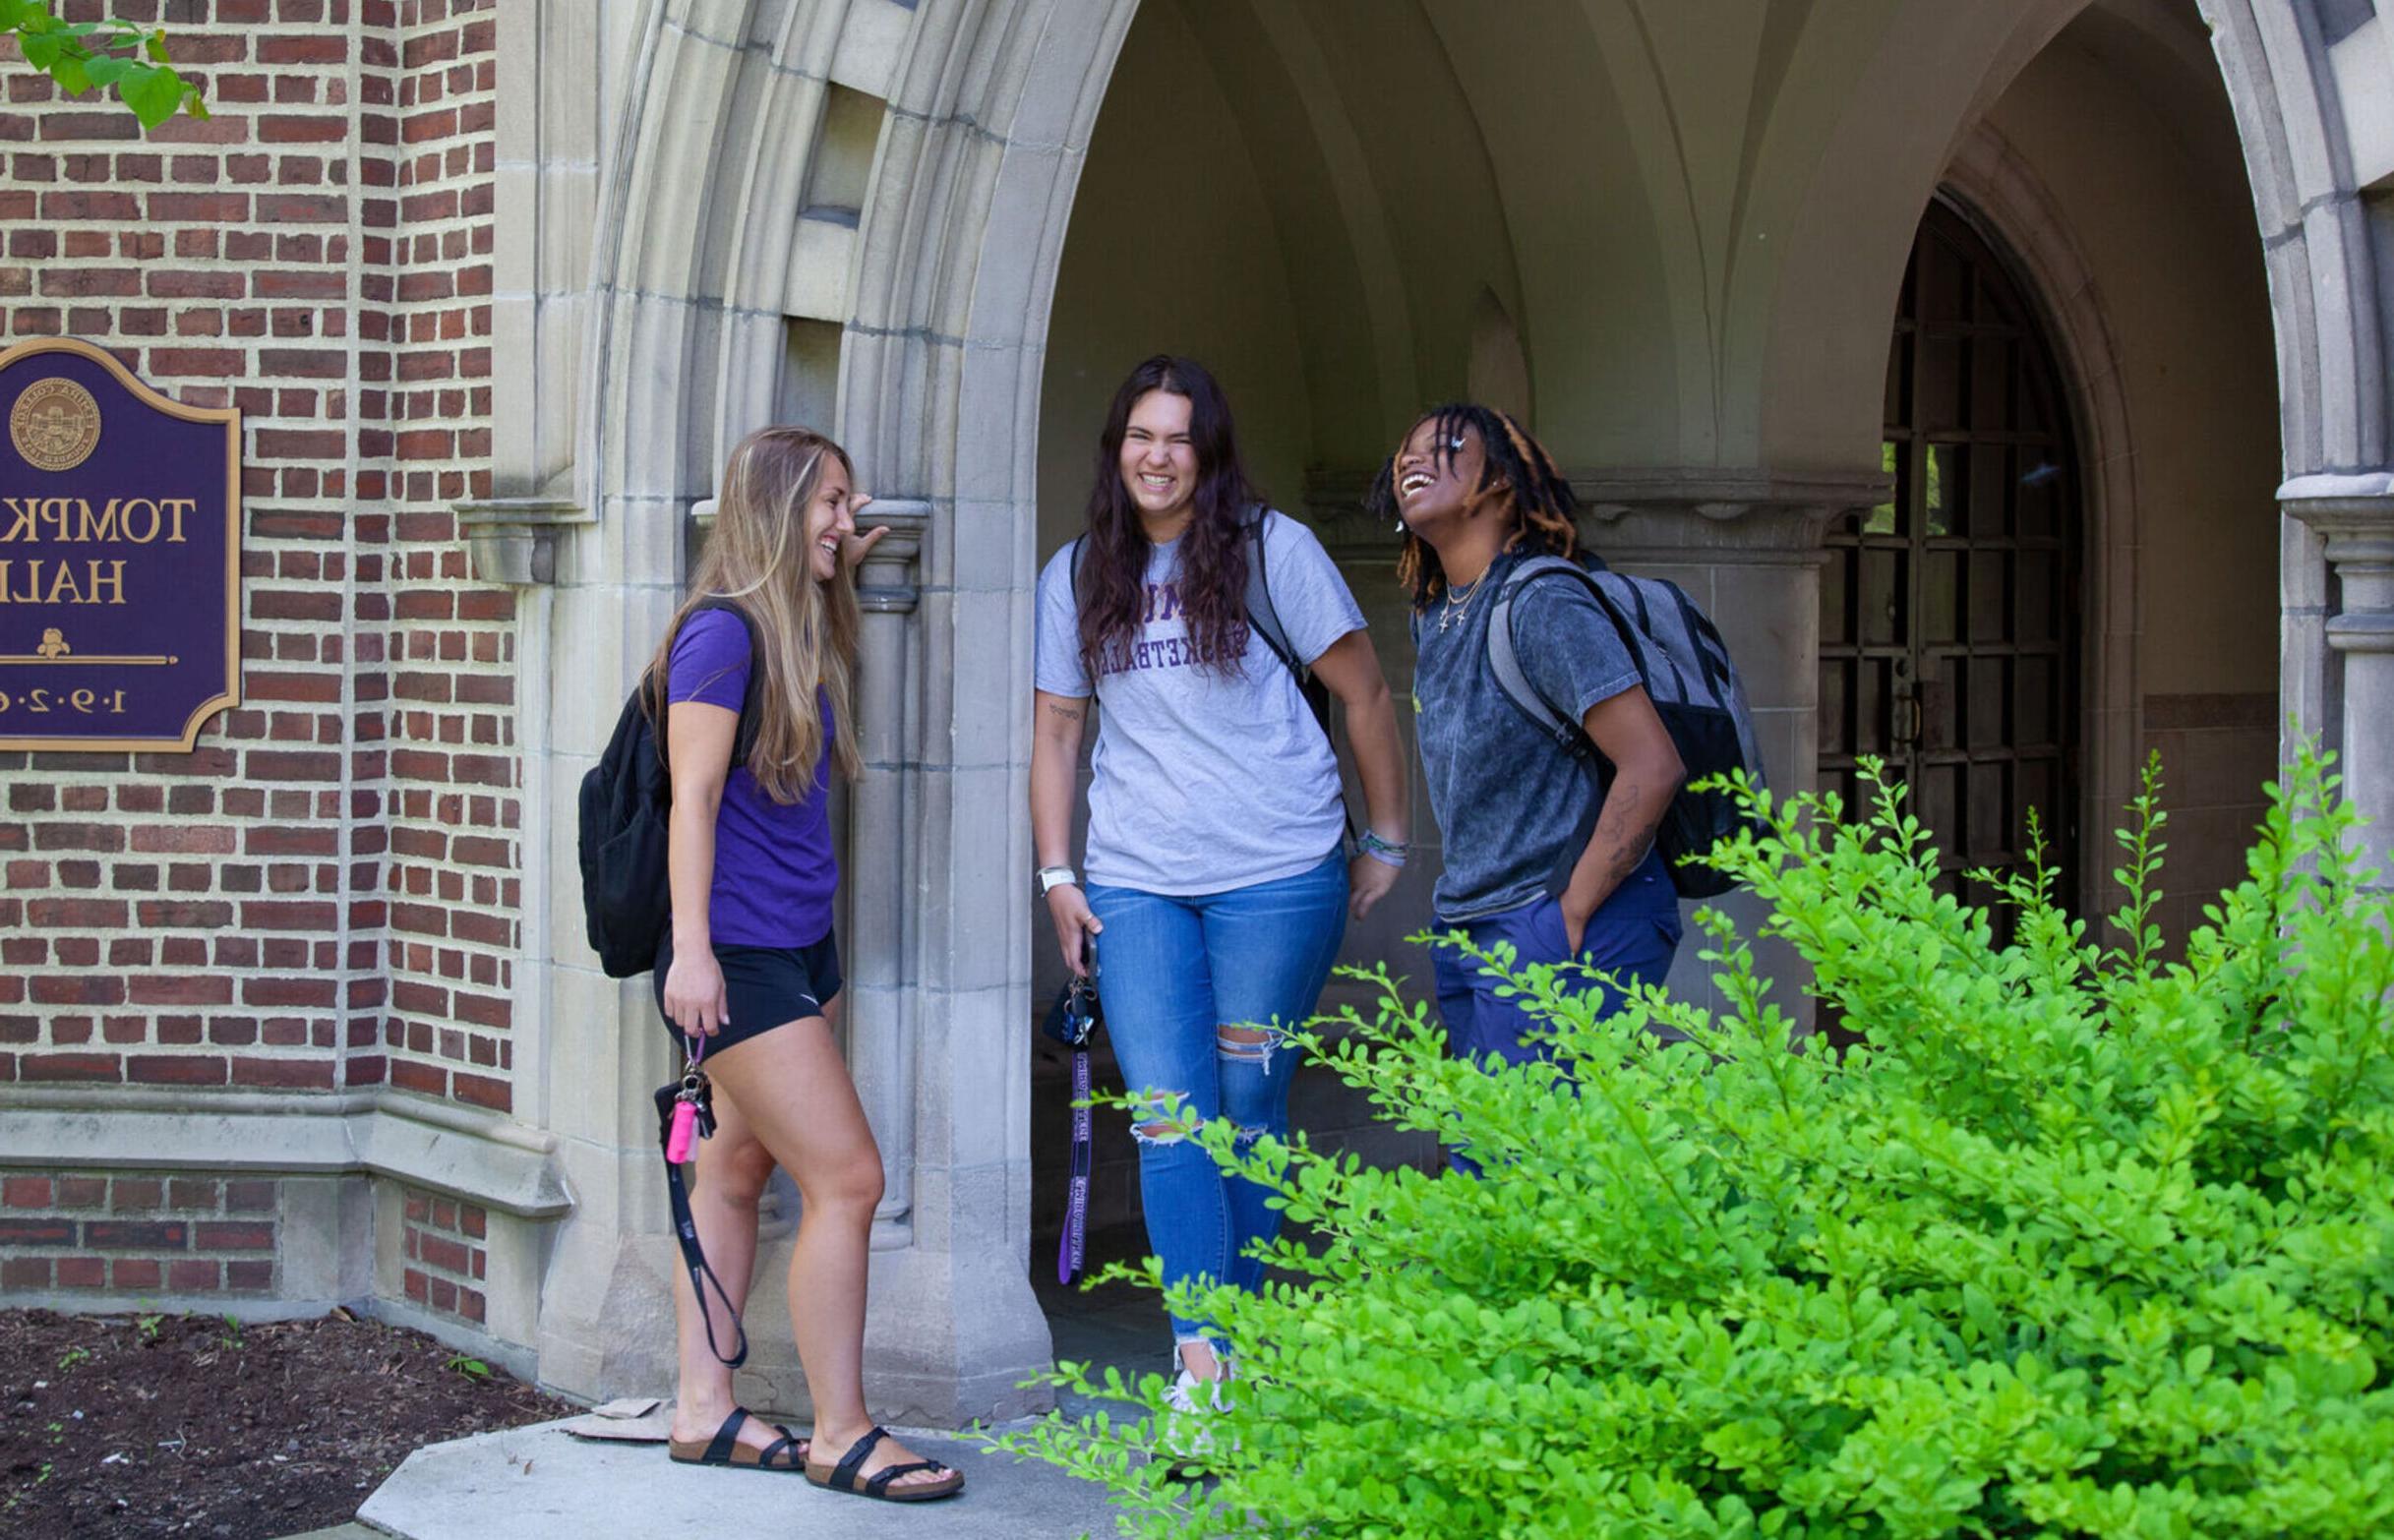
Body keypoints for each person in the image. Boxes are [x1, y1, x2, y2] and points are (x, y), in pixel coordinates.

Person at [1031, 356, 1410, 1402]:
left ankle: (1242, 1350)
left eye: (1178, 438)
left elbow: (1366, 691)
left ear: (1208, 452)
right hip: (1138, 881)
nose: (1158, 456)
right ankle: (1203, 1366)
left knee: (1247, 1107)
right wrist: (1058, 871)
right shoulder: (1073, 574)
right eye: (1140, 436)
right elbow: (1057, 729)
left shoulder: (1267, 548)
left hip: (1276, 869)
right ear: (1117, 449)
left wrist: (1385, 836)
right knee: (1168, 1115)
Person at [651, 425, 962, 1504]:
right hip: (733, 955)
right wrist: (691, 954)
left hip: (794, 944)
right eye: (830, 503)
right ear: (782, 510)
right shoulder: (719, 638)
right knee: (848, 1179)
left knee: (735, 1172)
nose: (845, 518)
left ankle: (702, 1410)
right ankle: (843, 1432)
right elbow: (690, 799)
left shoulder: (786, 627)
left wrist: (842, 569)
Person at [1369, 404, 1685, 1118]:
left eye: (1446, 445)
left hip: (1564, 920)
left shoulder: (1542, 602)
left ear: (1505, 484)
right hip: (1474, 926)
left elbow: (1651, 766)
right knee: (1492, 1177)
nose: (1413, 459)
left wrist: (1567, 916)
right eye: (1406, 449)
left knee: (1527, 1172)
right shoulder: (1435, 613)